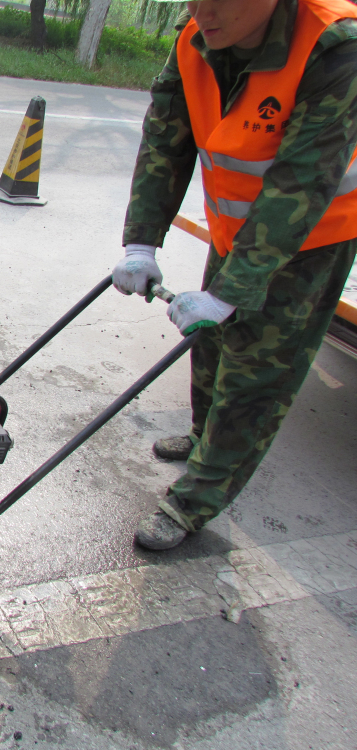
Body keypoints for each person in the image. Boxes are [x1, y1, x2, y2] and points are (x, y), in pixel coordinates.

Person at [113, 0, 357, 549]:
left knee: (255, 375)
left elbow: (299, 184)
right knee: (213, 343)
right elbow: (164, 142)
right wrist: (141, 242)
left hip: (312, 240)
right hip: (237, 228)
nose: (202, 11)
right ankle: (204, 438)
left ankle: (194, 502)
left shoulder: (334, 48)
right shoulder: (196, 36)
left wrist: (232, 289)